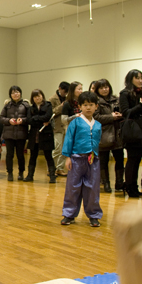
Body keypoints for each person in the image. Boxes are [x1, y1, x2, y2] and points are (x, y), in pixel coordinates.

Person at [60, 91, 103, 228]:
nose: (88, 108)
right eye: (85, 105)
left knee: (93, 188)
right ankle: (69, 214)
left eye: (91, 105)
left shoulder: (98, 125)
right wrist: (67, 157)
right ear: (80, 106)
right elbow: (68, 139)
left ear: (96, 106)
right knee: (73, 187)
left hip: (93, 160)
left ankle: (94, 215)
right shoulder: (75, 122)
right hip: (77, 159)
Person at [119, 69, 142, 197]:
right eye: (137, 78)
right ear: (130, 79)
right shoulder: (125, 93)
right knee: (132, 160)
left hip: (141, 130)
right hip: (131, 131)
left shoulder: (141, 93)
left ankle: (134, 187)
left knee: (138, 159)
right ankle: (129, 187)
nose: (140, 80)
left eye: (141, 77)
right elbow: (126, 113)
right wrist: (141, 105)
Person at [93, 79, 124, 192]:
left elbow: (123, 112)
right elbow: (96, 117)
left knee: (119, 160)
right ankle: (106, 183)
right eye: (101, 88)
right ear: (97, 90)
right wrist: (111, 117)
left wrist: (119, 115)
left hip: (117, 134)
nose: (104, 89)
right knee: (104, 161)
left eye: (106, 87)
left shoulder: (116, 99)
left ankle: (120, 183)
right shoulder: (95, 102)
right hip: (103, 134)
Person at [24, 89, 56, 183]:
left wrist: (35, 119)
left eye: (39, 95)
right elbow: (29, 120)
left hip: (46, 134)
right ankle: (30, 175)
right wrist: (40, 120)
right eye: (35, 96)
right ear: (32, 98)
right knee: (33, 156)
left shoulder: (48, 105)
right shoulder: (30, 108)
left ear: (42, 96)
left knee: (48, 156)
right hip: (34, 134)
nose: (37, 98)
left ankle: (52, 176)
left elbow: (47, 117)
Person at [0, 86, 30, 181]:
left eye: (17, 92)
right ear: (10, 95)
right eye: (13, 93)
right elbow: (1, 118)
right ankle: (10, 173)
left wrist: (23, 120)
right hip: (9, 134)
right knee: (9, 154)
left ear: (20, 93)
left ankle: (21, 172)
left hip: (21, 134)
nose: (15, 94)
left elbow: (29, 119)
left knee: (20, 154)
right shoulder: (7, 106)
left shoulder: (26, 105)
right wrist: (9, 121)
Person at [49, 81, 70, 177]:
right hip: (56, 127)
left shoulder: (67, 99)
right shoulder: (52, 99)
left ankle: (60, 168)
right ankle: (51, 168)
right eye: (64, 91)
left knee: (64, 149)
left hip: (65, 126)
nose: (65, 94)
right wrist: (61, 107)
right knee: (57, 148)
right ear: (59, 89)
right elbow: (50, 113)